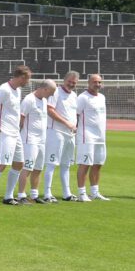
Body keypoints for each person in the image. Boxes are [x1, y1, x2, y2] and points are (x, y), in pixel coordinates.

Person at [0, 65, 31, 206]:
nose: (28, 82)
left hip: (15, 132)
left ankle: (9, 196)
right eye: (27, 79)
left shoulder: (18, 90)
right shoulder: (4, 89)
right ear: (21, 77)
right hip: (3, 131)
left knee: (19, 163)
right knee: (1, 164)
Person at [43, 71, 79, 201]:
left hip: (70, 134)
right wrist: (66, 123)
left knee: (66, 165)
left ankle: (67, 193)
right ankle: (47, 194)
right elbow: (50, 110)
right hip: (56, 132)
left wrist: (74, 126)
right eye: (69, 81)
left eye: (74, 82)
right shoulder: (56, 92)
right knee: (52, 163)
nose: (71, 84)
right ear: (64, 80)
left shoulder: (74, 95)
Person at [19, 79, 55, 204]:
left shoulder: (44, 101)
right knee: (27, 167)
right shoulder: (29, 99)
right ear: (44, 89)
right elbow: (21, 117)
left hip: (41, 140)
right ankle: (21, 195)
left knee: (38, 168)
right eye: (50, 92)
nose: (51, 95)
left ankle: (34, 194)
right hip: (30, 139)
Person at [76, 74, 109, 201]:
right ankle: (81, 193)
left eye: (99, 82)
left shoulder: (102, 97)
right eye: (95, 82)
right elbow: (75, 114)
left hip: (101, 136)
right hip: (87, 136)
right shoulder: (83, 97)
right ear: (89, 82)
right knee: (85, 164)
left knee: (98, 164)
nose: (97, 84)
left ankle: (95, 192)